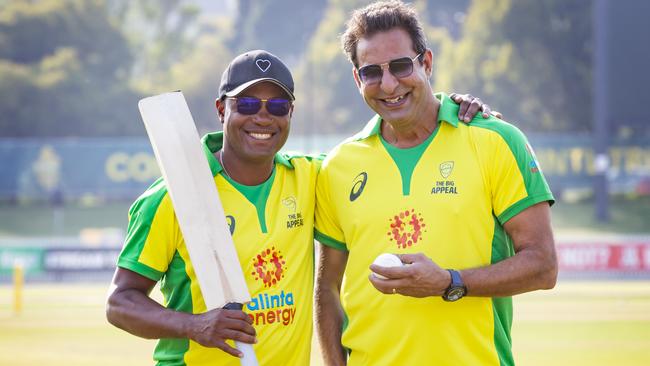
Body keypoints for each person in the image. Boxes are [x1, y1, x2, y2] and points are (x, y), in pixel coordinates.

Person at [106, 49, 492, 365]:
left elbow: (377, 156)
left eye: (277, 105)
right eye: (247, 103)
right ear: (222, 109)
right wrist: (195, 325)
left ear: (290, 113)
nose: (262, 116)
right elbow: (121, 303)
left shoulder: (311, 178)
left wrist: (448, 106)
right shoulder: (171, 197)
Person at [314, 2, 557, 366]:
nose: (389, 84)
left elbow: (543, 265)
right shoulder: (337, 166)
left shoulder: (496, 141)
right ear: (357, 79)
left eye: (400, 65)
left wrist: (449, 281)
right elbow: (327, 289)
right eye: (371, 72)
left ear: (426, 63)